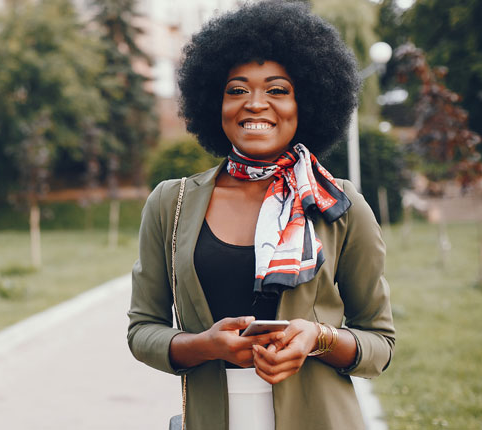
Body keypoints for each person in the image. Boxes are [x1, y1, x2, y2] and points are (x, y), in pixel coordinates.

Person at [127, 2, 395, 429]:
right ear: (214, 100)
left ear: (305, 101)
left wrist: (318, 337)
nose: (254, 104)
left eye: (277, 89)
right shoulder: (170, 203)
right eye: (236, 89)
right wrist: (203, 345)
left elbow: (379, 344)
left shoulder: (338, 205)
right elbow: (142, 330)